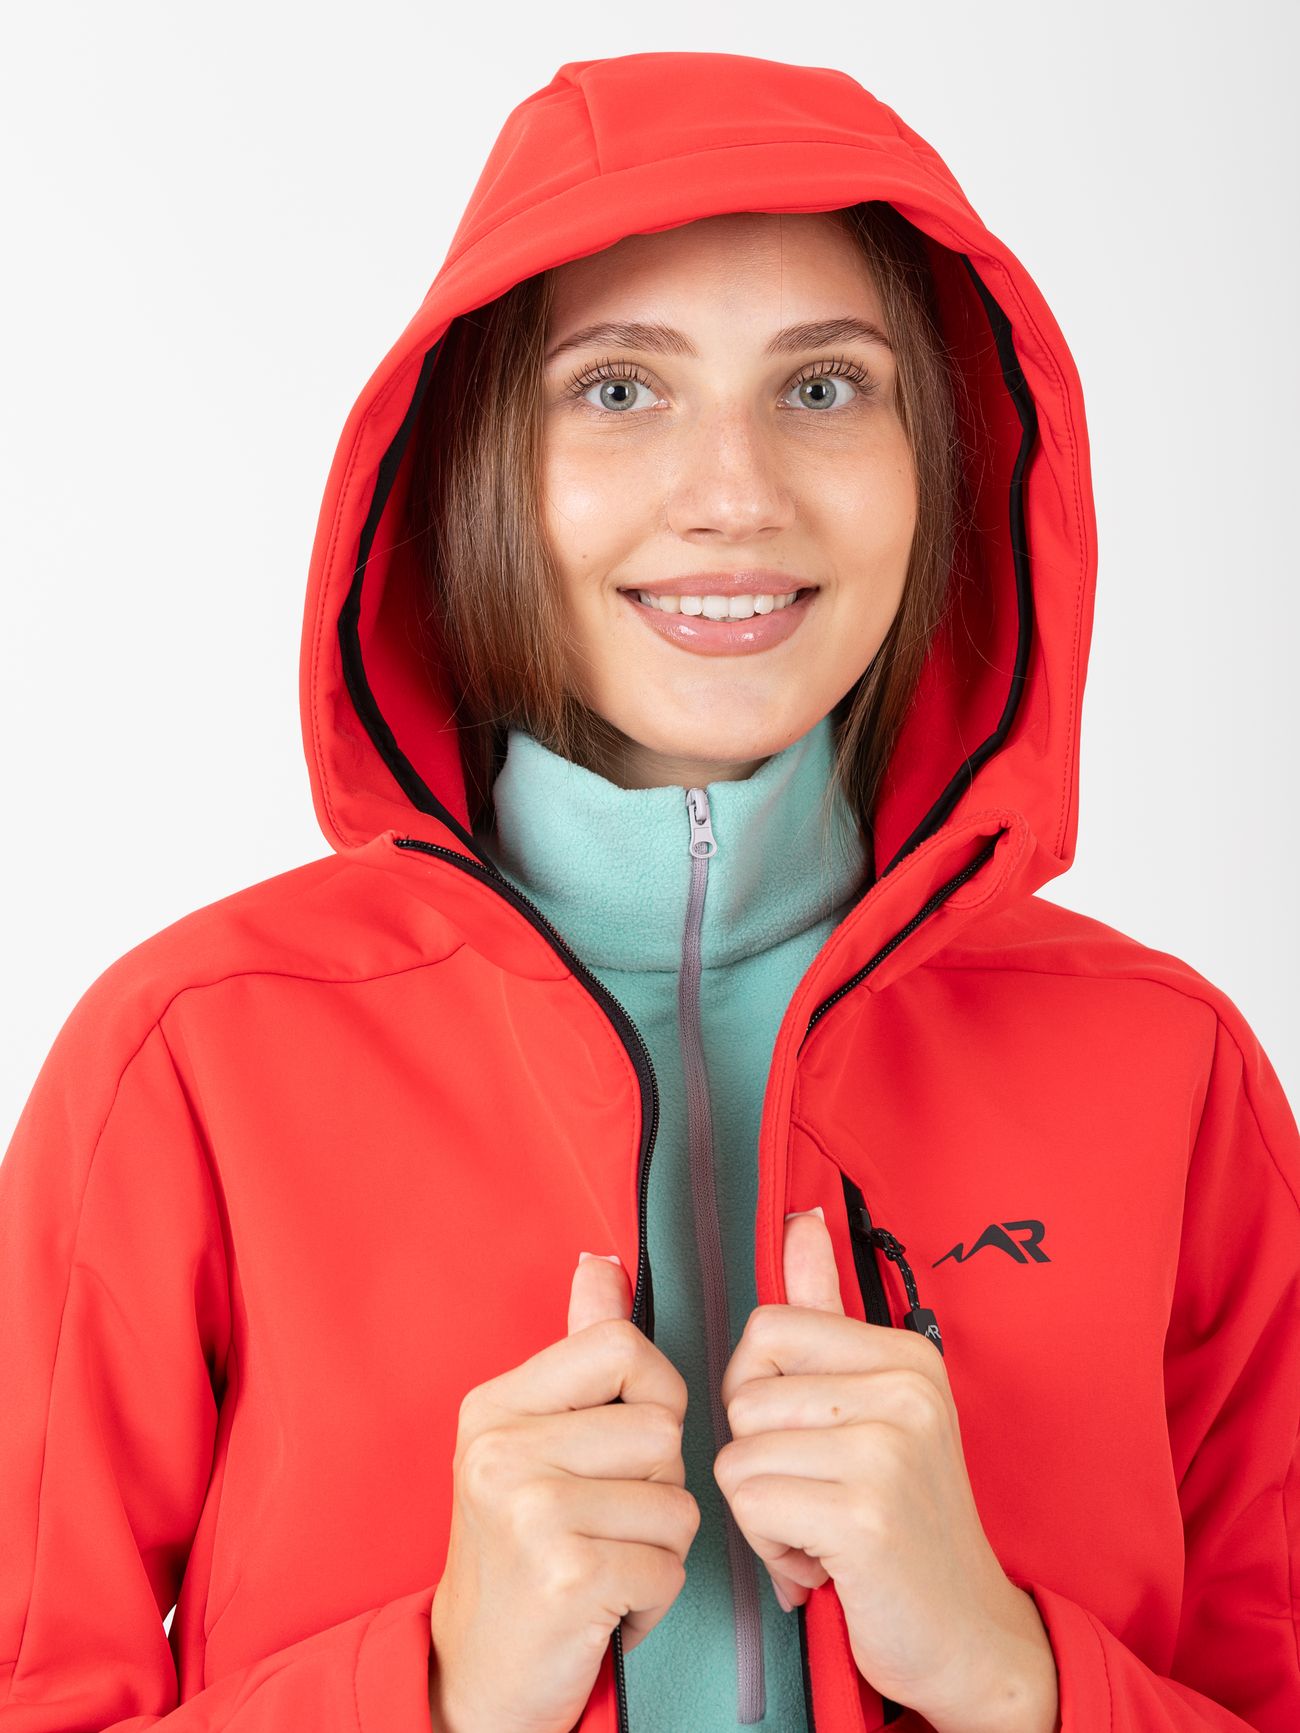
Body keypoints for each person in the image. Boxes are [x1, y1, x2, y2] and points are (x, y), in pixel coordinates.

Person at [0, 46, 1296, 1733]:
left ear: (945, 455)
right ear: (475, 463)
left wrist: (1008, 1672)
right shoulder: (190, 1062)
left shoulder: (1171, 1074)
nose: (736, 493)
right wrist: (439, 1688)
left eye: (824, 386)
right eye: (619, 388)